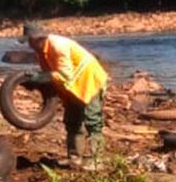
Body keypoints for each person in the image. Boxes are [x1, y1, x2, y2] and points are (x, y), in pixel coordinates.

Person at [20, 22, 109, 169]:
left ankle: (97, 160)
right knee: (72, 121)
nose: (29, 44)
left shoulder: (57, 46)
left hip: (89, 80)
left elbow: (65, 74)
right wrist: (36, 82)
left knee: (93, 121)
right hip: (72, 86)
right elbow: (51, 75)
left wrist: (41, 78)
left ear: (37, 38)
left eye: (30, 40)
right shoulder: (41, 51)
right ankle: (74, 158)